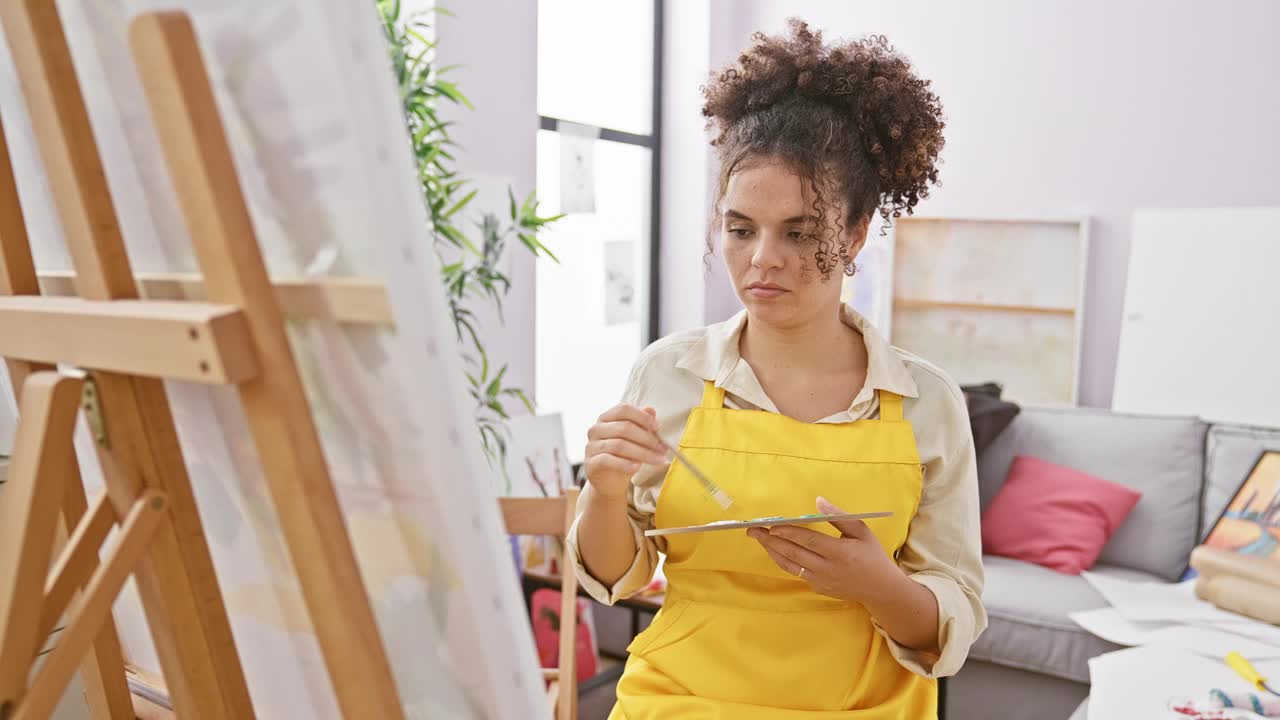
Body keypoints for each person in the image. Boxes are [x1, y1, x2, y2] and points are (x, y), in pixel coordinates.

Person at [567, 19, 986, 719]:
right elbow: (617, 575)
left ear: (853, 233)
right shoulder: (667, 373)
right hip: (677, 703)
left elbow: (951, 622)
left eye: (799, 232)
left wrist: (879, 585)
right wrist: (605, 494)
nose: (763, 259)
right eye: (740, 229)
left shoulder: (925, 403)